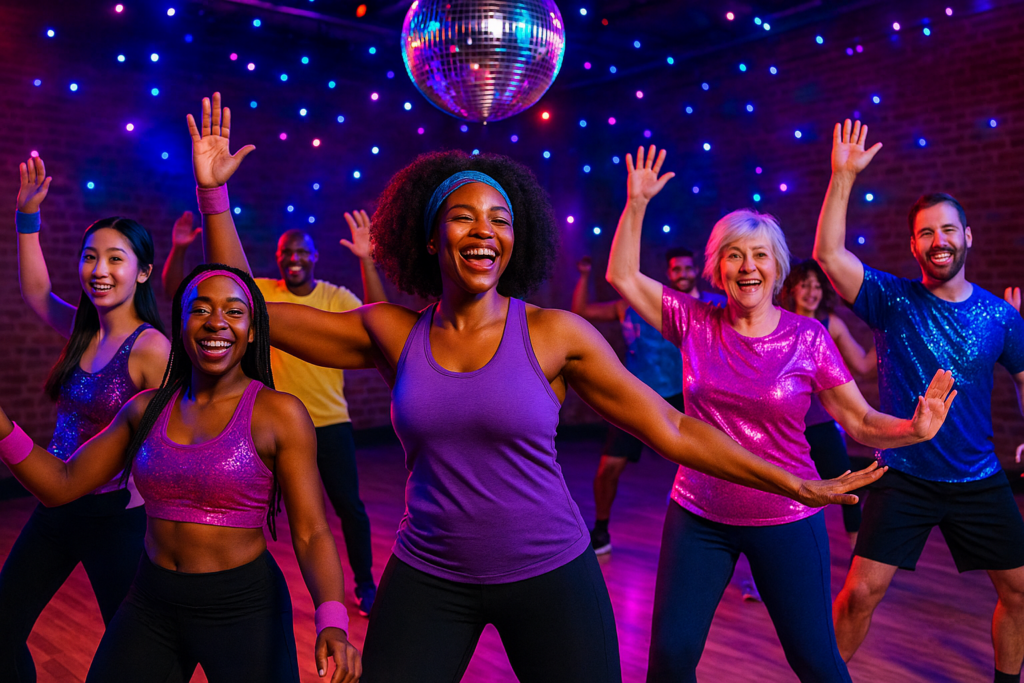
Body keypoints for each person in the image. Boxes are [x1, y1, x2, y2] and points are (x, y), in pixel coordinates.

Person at [189, 92, 886, 683]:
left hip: (551, 571)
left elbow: (672, 428)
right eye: (463, 215)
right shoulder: (392, 333)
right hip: (430, 571)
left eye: (500, 220)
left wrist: (792, 481)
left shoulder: (556, 335)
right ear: (432, 238)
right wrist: (215, 198)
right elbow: (240, 307)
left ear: (515, 242)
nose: (484, 230)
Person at [605, 145, 956, 683]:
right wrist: (636, 203)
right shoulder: (694, 321)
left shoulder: (808, 336)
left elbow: (858, 420)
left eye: (761, 255)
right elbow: (622, 276)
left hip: (787, 516)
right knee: (671, 661)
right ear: (718, 268)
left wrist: (915, 428)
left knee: (815, 661)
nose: (748, 266)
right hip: (698, 514)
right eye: (735, 255)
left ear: (777, 267)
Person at [0, 263, 361, 683]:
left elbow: (312, 530)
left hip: (243, 607)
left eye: (234, 311)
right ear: (181, 323)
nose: (217, 322)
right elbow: (60, 485)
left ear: (254, 329)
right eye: (201, 309)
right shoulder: (144, 409)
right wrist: (3, 428)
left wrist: (332, 620)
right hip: (152, 601)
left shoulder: (279, 414)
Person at [813, 119, 1024, 683]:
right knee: (860, 592)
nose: (939, 241)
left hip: (978, 475)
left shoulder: (1002, 317)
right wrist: (843, 176)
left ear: (967, 236)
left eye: (948, 230)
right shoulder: (892, 300)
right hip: (902, 471)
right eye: (927, 233)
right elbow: (829, 254)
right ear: (914, 245)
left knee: (1021, 592)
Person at [162, 207, 388, 615]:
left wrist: (366, 261)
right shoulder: (262, 293)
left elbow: (383, 321)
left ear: (315, 256)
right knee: (264, 514)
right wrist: (179, 250)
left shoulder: (335, 297)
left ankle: (366, 584)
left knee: (348, 507)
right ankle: (248, 594)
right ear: (279, 258)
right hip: (274, 429)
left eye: (302, 251)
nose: (294, 258)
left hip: (331, 423)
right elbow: (182, 292)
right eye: (287, 253)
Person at [0, 156, 171, 681]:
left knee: (129, 654)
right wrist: (27, 219)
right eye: (90, 257)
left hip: (116, 518)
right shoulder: (84, 330)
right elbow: (34, 293)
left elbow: (174, 441)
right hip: (56, 508)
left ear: (142, 271)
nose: (99, 270)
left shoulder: (151, 349)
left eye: (115, 259)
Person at [572, 249, 725, 555]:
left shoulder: (709, 305)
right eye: (675, 270)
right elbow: (582, 311)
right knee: (607, 469)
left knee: (708, 469)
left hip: (685, 396)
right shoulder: (635, 306)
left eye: (686, 268)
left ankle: (713, 536)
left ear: (695, 270)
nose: (682, 274)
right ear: (667, 275)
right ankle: (601, 531)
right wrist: (586, 275)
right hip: (638, 396)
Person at [779, 259, 876, 549]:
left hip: (820, 421)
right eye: (805, 285)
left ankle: (857, 559)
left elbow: (861, 363)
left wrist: (887, 339)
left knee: (848, 485)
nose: (812, 292)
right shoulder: (776, 321)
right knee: (781, 496)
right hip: (784, 424)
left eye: (818, 286)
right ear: (792, 289)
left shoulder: (830, 323)